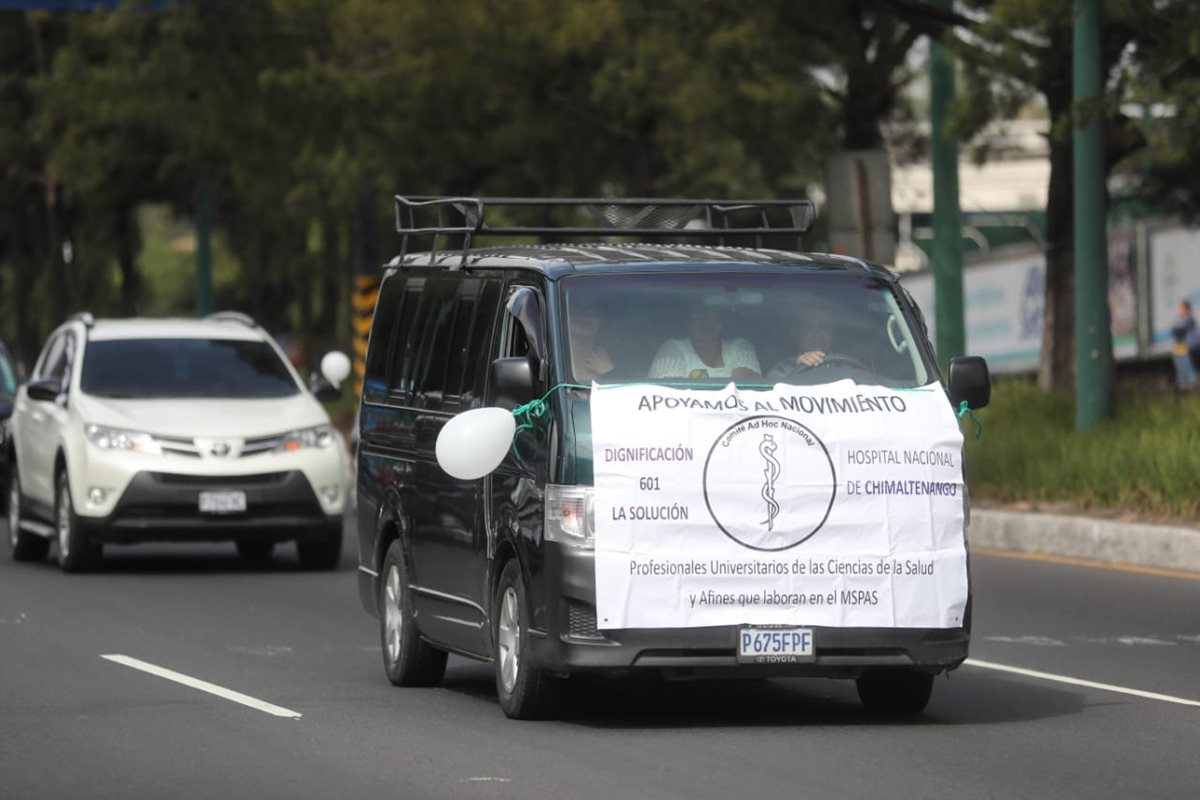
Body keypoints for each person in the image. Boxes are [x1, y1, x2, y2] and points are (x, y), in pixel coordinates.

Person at [647, 298, 760, 379]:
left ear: (721, 322)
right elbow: (670, 394)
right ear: (687, 323)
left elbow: (747, 388)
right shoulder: (673, 348)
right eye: (697, 316)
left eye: (712, 315)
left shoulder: (740, 347)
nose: (705, 322)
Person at [766, 306, 857, 381]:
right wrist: (798, 369)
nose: (817, 334)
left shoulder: (848, 367)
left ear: (832, 333)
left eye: (824, 327)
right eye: (808, 328)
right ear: (795, 334)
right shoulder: (783, 369)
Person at [568, 298, 614, 382]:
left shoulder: (604, 359)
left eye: (592, 313)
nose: (584, 317)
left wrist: (608, 372)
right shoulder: (555, 356)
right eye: (576, 312)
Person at [1170, 299, 1197, 391]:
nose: (1179, 311)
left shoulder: (1189, 320)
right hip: (1179, 348)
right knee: (1180, 368)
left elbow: (1178, 331)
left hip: (1185, 348)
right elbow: (1175, 331)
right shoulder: (1181, 321)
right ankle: (1183, 387)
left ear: (1187, 309)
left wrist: (1176, 330)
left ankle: (1191, 386)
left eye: (1181, 309)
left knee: (1187, 367)